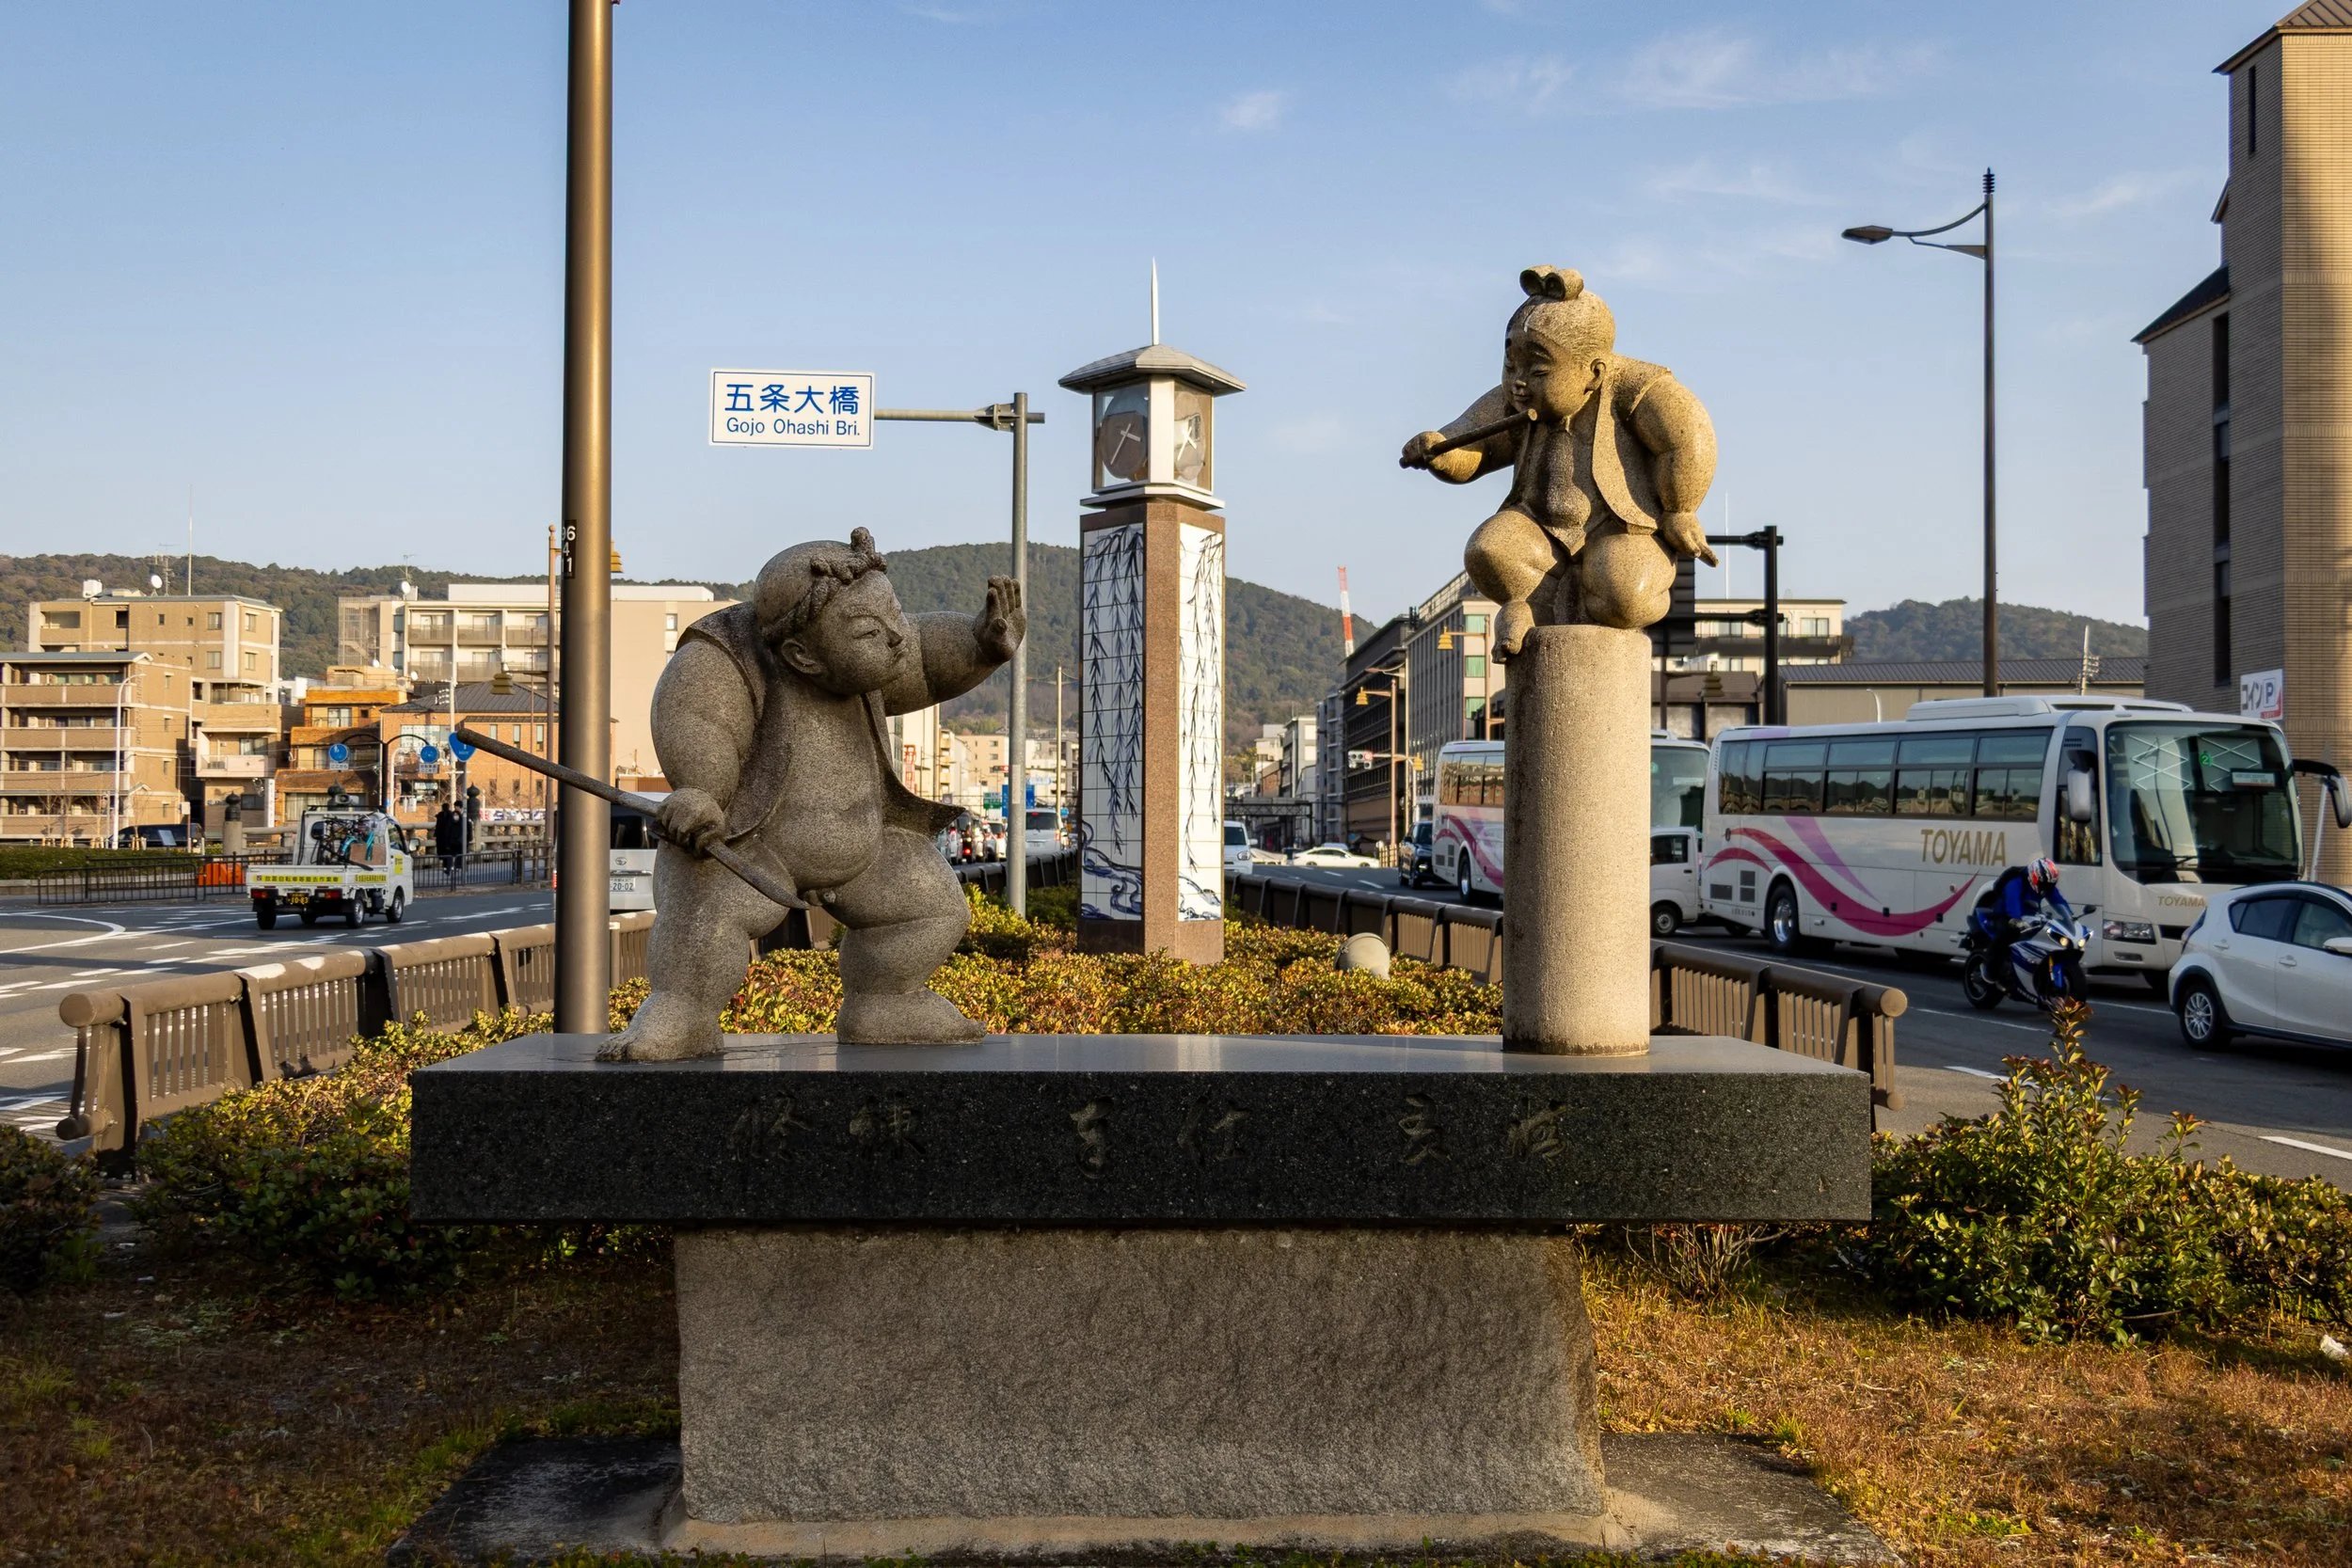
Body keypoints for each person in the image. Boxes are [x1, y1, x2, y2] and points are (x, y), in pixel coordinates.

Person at [604, 528, 1023, 1060]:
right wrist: (702, 793)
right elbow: (701, 722)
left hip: (866, 850)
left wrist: (980, 642)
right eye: (872, 632)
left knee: (932, 907)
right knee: (705, 914)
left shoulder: (869, 660)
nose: (896, 635)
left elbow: (920, 655)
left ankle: (884, 1001)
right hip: (755, 846)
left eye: (893, 614)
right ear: (804, 656)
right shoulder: (724, 659)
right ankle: (682, 1010)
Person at [1972, 858, 2074, 989]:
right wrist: (2015, 920)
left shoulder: (2046, 884)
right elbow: (2013, 903)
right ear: (2034, 877)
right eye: (2043, 883)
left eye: (2049, 884)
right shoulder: (2016, 883)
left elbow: (2058, 901)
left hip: (2030, 916)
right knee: (2007, 936)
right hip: (2006, 916)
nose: (2046, 887)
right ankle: (1990, 970)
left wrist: (2069, 916)